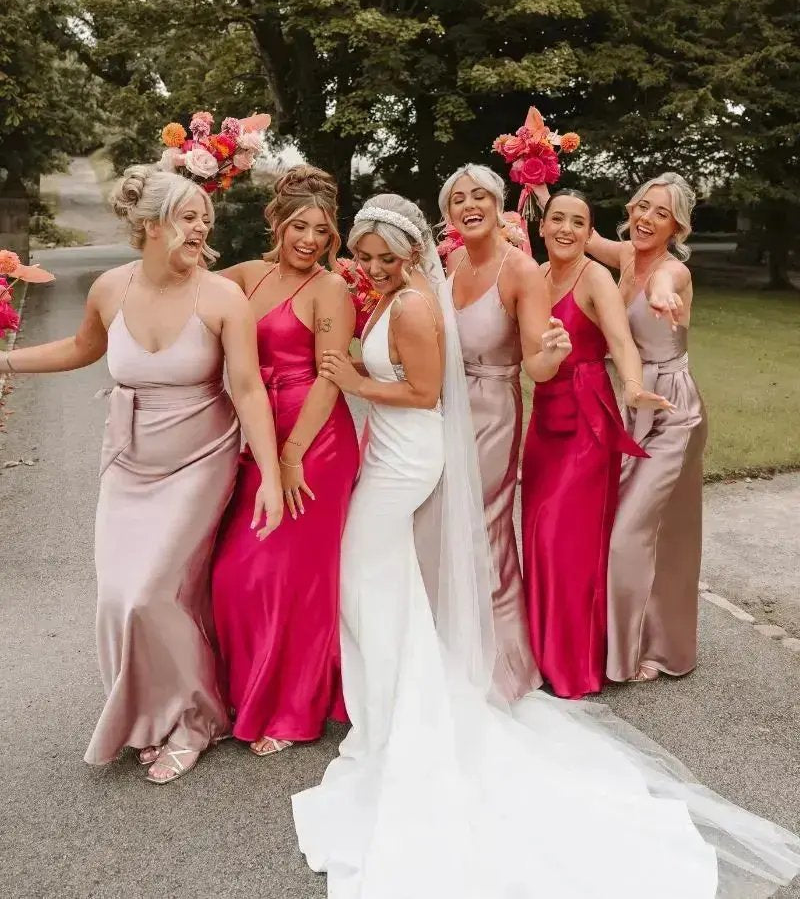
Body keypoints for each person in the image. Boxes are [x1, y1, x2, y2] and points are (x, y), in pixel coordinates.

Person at [291, 193, 800, 899]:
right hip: (427, 435)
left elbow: (585, 334)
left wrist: (593, 366)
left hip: (495, 419)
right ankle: (412, 681)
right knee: (420, 561)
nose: (373, 266)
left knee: (486, 545)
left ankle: (507, 669)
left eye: (384, 257)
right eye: (367, 256)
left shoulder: (500, 278)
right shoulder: (419, 282)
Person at [1, 166, 282, 783]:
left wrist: (268, 473)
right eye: (189, 217)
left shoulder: (221, 298)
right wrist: (6, 361)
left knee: (152, 593)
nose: (201, 228)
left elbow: (247, 388)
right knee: (114, 599)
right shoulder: (108, 288)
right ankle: (150, 713)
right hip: (126, 460)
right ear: (152, 226)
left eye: (204, 218)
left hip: (198, 462)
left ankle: (195, 719)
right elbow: (80, 349)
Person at [211, 166, 360, 756]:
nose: (309, 239)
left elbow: (330, 378)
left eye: (321, 231)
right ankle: (246, 692)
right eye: (299, 225)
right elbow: (179, 286)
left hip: (313, 442)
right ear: (276, 222)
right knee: (234, 575)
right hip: (255, 436)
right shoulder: (246, 276)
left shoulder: (331, 291)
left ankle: (293, 707)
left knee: (290, 577)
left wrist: (294, 454)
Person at [521, 190, 672, 699]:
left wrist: (631, 387)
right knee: (537, 536)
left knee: (566, 542)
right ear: (542, 227)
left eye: (578, 222)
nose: (566, 229)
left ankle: (575, 663)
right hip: (543, 424)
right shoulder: (534, 278)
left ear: (590, 233)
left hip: (587, 422)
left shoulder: (596, 277)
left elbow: (622, 341)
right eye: (558, 219)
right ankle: (543, 656)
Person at [438, 163, 572, 699]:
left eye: (480, 197)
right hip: (445, 407)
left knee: (485, 525)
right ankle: (453, 645)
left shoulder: (520, 271)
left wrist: (552, 355)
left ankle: (503, 665)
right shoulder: (448, 263)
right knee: (446, 523)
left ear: (498, 206)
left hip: (493, 408)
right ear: (448, 215)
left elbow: (537, 365)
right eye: (457, 199)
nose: (469, 205)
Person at [588, 172, 708, 683]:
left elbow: (665, 283)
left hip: (672, 410)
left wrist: (660, 294)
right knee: (633, 526)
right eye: (642, 206)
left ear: (676, 226)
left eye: (661, 213)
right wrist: (538, 177)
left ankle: (646, 650)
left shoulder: (672, 272)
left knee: (633, 531)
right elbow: (583, 237)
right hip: (628, 403)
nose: (646, 218)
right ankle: (629, 637)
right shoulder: (623, 256)